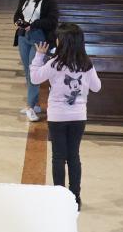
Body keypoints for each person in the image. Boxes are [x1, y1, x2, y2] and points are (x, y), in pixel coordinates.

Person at [30, 23, 101, 211]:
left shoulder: (55, 63)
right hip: (78, 117)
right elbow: (97, 87)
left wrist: (38, 56)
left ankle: (59, 198)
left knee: (58, 157)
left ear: (62, 42)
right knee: (74, 156)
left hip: (57, 117)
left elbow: (35, 78)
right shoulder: (86, 64)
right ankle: (75, 197)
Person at [13, 0, 58, 122]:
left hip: (40, 37)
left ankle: (30, 106)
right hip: (23, 36)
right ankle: (35, 104)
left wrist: (33, 25)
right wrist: (19, 22)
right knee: (28, 71)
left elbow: (52, 21)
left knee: (35, 71)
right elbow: (17, 14)